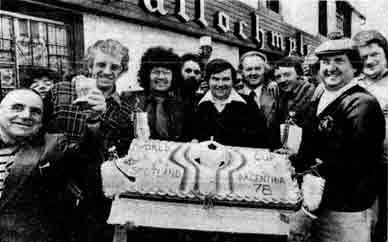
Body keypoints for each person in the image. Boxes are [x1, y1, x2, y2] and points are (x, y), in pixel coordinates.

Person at [288, 33, 385, 242]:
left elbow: (349, 164)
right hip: (316, 204)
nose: (330, 68)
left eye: (339, 61)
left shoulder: (362, 104)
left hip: (346, 210)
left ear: (355, 67)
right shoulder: (321, 96)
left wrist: (307, 211)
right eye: (325, 62)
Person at [43, 39, 134, 242]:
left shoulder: (125, 109)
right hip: (54, 186)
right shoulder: (60, 91)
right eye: (101, 64)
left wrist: (99, 119)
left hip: (95, 195)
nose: (107, 71)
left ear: (122, 71)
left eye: (115, 67)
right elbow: (39, 133)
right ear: (90, 66)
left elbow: (122, 155)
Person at [0, 89, 68, 242]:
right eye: (17, 108)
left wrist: (93, 122)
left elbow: (88, 159)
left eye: (35, 111)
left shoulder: (51, 147)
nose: (26, 116)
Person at [353, 29, 388, 242]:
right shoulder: (354, 84)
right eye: (363, 57)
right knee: (366, 223)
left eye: (374, 54)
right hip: (361, 166)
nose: (369, 60)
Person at [193, 58, 268, 147]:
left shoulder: (249, 104)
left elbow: (261, 140)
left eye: (226, 79)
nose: (220, 84)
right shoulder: (196, 103)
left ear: (233, 81)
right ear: (207, 81)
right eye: (215, 79)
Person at [125, 46, 185, 141]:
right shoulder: (131, 99)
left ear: (173, 77)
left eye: (166, 73)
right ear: (147, 74)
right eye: (156, 72)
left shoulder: (180, 105)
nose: (161, 77)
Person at [238, 51, 281, 149]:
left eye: (258, 69)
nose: (253, 73)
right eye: (249, 69)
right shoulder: (234, 93)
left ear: (265, 70)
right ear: (242, 72)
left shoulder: (275, 91)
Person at [274, 56, 316, 127]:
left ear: (299, 75)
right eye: (278, 77)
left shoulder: (312, 94)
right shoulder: (281, 95)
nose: (282, 80)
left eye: (287, 75)